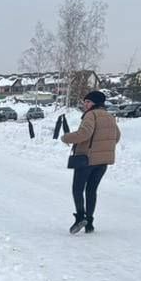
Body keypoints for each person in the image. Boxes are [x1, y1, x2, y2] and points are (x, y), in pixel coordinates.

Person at [61, 90, 120, 234]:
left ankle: (81, 217)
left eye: (88, 102)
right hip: (103, 161)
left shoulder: (91, 115)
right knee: (91, 190)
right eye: (84, 101)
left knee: (77, 189)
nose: (85, 104)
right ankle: (90, 222)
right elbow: (116, 136)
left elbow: (84, 134)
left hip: (87, 159)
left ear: (95, 103)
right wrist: (104, 148)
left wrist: (66, 138)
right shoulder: (110, 117)